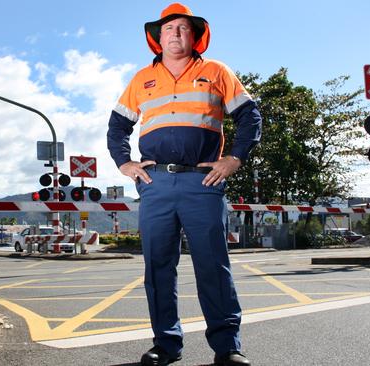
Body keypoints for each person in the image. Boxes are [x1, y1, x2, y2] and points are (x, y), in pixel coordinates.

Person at [106, 3, 262, 366]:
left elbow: (250, 116)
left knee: (213, 265)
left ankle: (227, 348)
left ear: (195, 35)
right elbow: (117, 126)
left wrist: (233, 158)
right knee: (158, 268)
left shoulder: (216, 71)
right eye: (168, 29)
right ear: (157, 38)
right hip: (155, 183)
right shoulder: (141, 79)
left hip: (202, 181)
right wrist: (124, 163)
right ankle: (166, 344)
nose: (175, 34)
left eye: (183, 28)